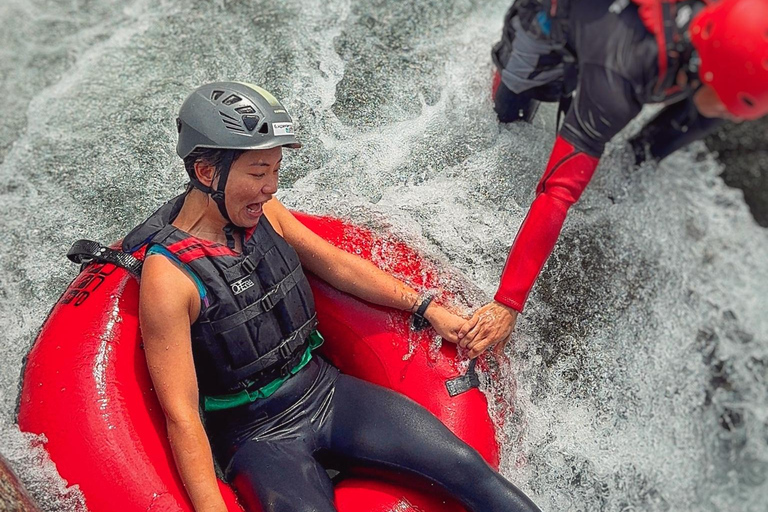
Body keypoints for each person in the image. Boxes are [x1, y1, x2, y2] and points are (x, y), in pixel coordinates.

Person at [128, 82, 542, 512]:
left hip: (325, 390)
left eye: (275, 169)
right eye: (257, 173)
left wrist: (427, 308)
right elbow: (182, 415)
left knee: (463, 465)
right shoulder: (169, 276)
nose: (271, 186)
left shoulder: (266, 212)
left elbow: (337, 266)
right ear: (207, 173)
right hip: (257, 437)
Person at [457, 0, 768, 354]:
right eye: (734, 103)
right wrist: (507, 303)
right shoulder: (617, 79)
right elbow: (558, 191)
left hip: (648, 45)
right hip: (552, 19)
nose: (739, 118)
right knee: (507, 124)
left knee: (707, 112)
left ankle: (636, 160)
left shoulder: (728, 19)